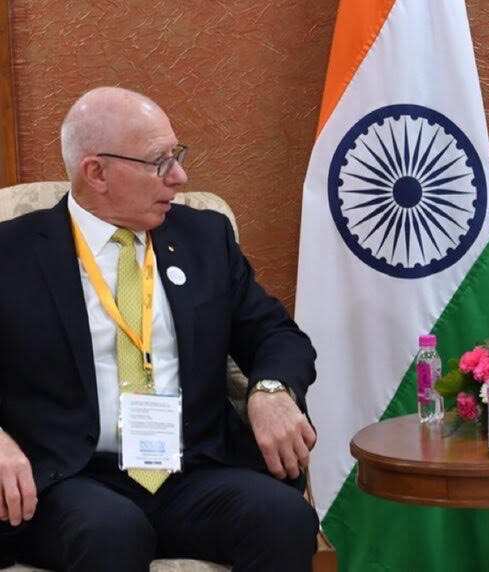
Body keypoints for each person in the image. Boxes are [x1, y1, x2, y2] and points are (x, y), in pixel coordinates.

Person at [0, 87, 319, 571]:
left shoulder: (205, 237)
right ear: (96, 172)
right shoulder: (13, 253)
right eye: (159, 161)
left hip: (190, 470)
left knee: (284, 518)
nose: (180, 176)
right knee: (112, 532)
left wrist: (271, 389)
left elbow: (276, 333)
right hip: (70, 477)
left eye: (178, 155)